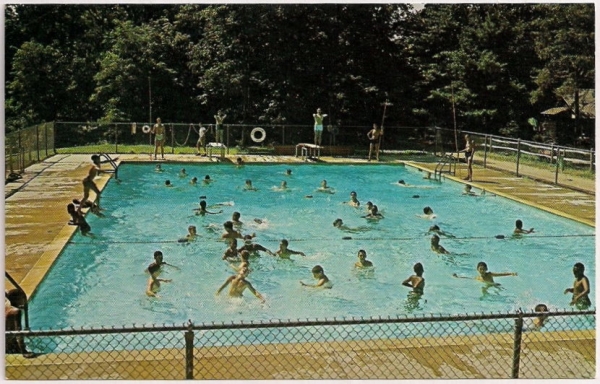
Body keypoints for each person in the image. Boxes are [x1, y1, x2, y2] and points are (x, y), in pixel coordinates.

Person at [453, 261, 517, 284]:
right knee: (483, 290)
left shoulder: (490, 274)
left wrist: (511, 273)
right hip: (487, 285)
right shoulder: (478, 278)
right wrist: (458, 277)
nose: (482, 271)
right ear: (477, 270)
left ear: (486, 269)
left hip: (493, 285)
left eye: (483, 269)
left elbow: (500, 274)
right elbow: (468, 278)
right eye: (480, 269)